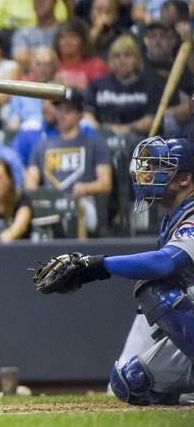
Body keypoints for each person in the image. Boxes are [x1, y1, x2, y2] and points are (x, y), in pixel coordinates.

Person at [34, 135, 194, 406]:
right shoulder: (173, 217)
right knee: (130, 382)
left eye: (160, 168)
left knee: (157, 290)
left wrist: (98, 265)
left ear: (184, 179)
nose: (149, 174)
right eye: (150, 166)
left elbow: (163, 263)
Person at [24, 90, 112, 238]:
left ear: (80, 114)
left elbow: (106, 183)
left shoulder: (95, 143)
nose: (62, 115)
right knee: (29, 209)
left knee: (74, 209)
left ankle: (78, 257)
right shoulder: (43, 145)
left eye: (68, 110)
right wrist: (40, 197)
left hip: (83, 202)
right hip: (50, 202)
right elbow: (30, 182)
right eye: (59, 109)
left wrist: (86, 188)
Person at [83, 34, 159, 139]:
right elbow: (86, 114)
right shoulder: (96, 85)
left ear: (136, 58)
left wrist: (125, 129)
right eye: (117, 56)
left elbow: (152, 120)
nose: (122, 60)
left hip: (137, 140)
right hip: (101, 139)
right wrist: (101, 130)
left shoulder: (149, 87)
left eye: (127, 55)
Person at [10, 0, 63, 71]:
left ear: (55, 1)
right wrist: (55, 55)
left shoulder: (64, 30)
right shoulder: (23, 32)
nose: (38, 1)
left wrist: (31, 54)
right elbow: (19, 57)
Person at [54, 17, 111, 91]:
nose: (67, 41)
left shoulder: (97, 65)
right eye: (63, 37)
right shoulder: (51, 64)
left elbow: (99, 92)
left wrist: (69, 86)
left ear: (83, 40)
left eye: (72, 36)